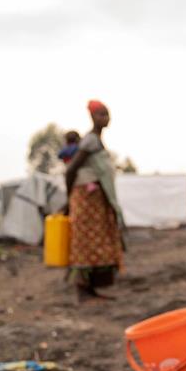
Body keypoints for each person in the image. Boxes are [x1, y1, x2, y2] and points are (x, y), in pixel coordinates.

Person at [65, 100, 125, 301]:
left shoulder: (96, 141)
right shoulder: (90, 141)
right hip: (86, 199)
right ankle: (82, 290)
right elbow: (71, 170)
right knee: (85, 244)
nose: (106, 118)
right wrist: (70, 198)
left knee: (97, 243)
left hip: (96, 200)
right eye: (101, 114)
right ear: (92, 117)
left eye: (107, 114)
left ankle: (91, 289)